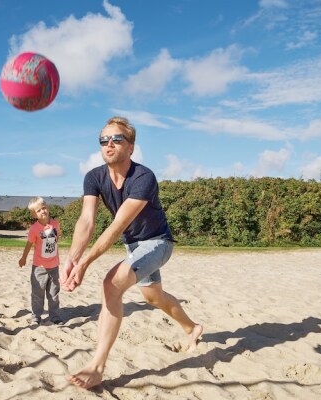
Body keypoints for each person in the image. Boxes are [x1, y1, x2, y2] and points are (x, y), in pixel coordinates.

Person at [60, 116, 203, 389]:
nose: (109, 144)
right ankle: (192, 328)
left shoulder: (143, 177)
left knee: (111, 285)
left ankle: (97, 367)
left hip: (158, 242)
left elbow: (118, 225)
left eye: (116, 139)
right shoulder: (93, 177)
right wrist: (72, 259)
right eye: (104, 139)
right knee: (154, 297)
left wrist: (86, 263)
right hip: (134, 247)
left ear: (131, 147)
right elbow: (87, 221)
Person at [18, 197, 64, 326]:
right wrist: (23, 257)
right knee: (37, 294)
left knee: (54, 293)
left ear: (47, 207)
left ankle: (54, 316)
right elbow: (29, 244)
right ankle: (36, 316)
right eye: (38, 210)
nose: (42, 211)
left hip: (54, 266)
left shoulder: (55, 223)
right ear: (34, 214)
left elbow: (57, 238)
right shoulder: (34, 228)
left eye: (44, 208)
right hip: (39, 267)